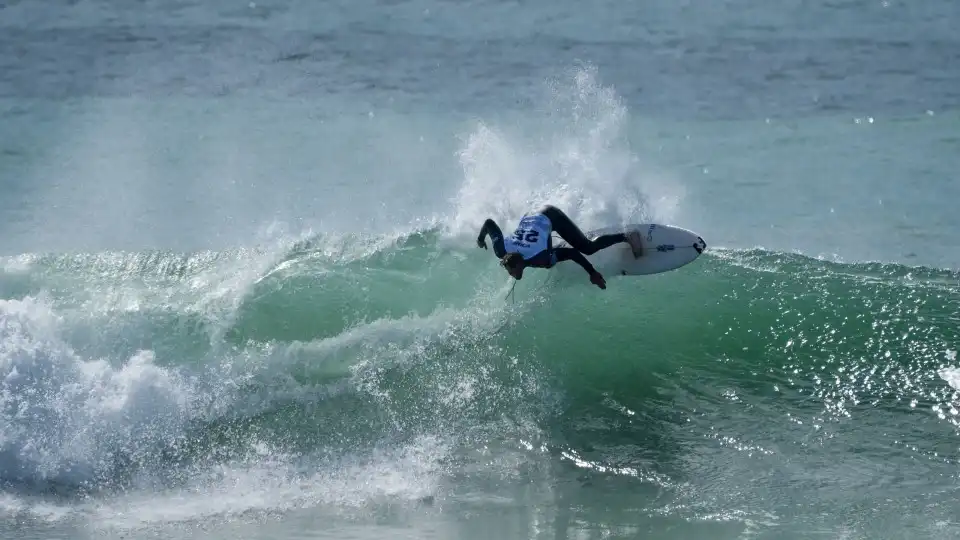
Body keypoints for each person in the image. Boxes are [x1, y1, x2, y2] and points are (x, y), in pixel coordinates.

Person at [476, 204, 643, 289]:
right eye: (510, 271)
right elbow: (489, 224)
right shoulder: (501, 250)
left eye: (513, 271)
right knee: (549, 259)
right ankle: (552, 244)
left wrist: (592, 272)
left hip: (550, 215)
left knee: (587, 248)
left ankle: (628, 236)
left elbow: (572, 253)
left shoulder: (539, 256)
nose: (512, 275)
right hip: (531, 215)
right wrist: (480, 238)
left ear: (521, 264)